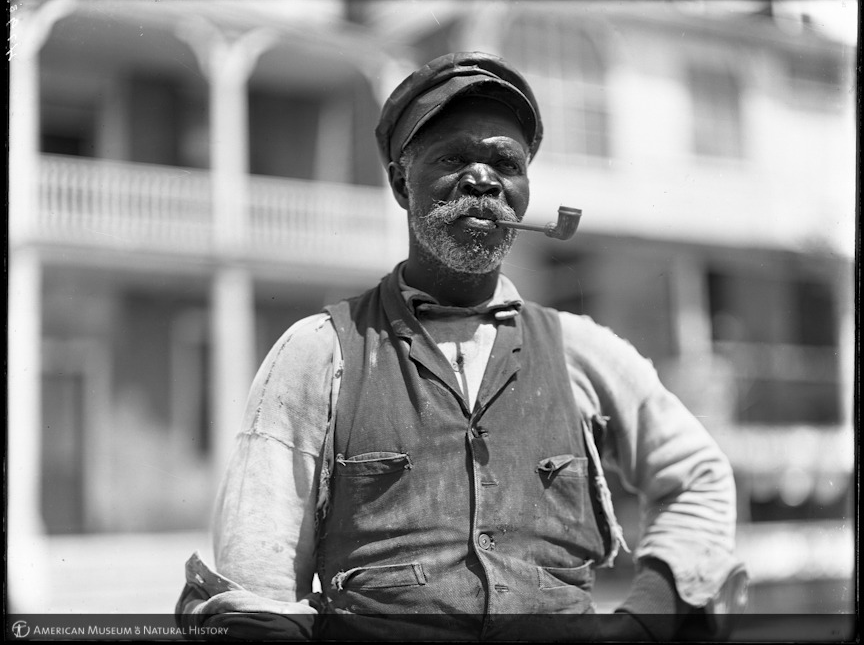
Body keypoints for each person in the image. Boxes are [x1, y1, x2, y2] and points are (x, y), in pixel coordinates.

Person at [176, 51, 747, 641]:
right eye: (453, 158)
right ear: (402, 181)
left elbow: (698, 476)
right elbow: (257, 584)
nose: (482, 178)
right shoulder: (319, 352)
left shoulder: (583, 351)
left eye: (505, 162)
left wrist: (646, 622)